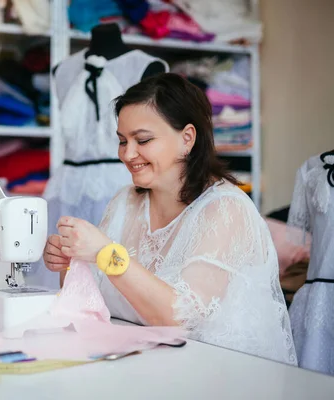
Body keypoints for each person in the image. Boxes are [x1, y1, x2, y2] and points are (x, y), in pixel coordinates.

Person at [43, 73, 297, 366]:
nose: (128, 154)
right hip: (141, 364)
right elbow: (93, 296)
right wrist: (70, 262)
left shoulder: (225, 210)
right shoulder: (126, 201)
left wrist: (104, 252)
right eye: (123, 141)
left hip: (214, 374)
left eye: (143, 140)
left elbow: (179, 320)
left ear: (187, 138)